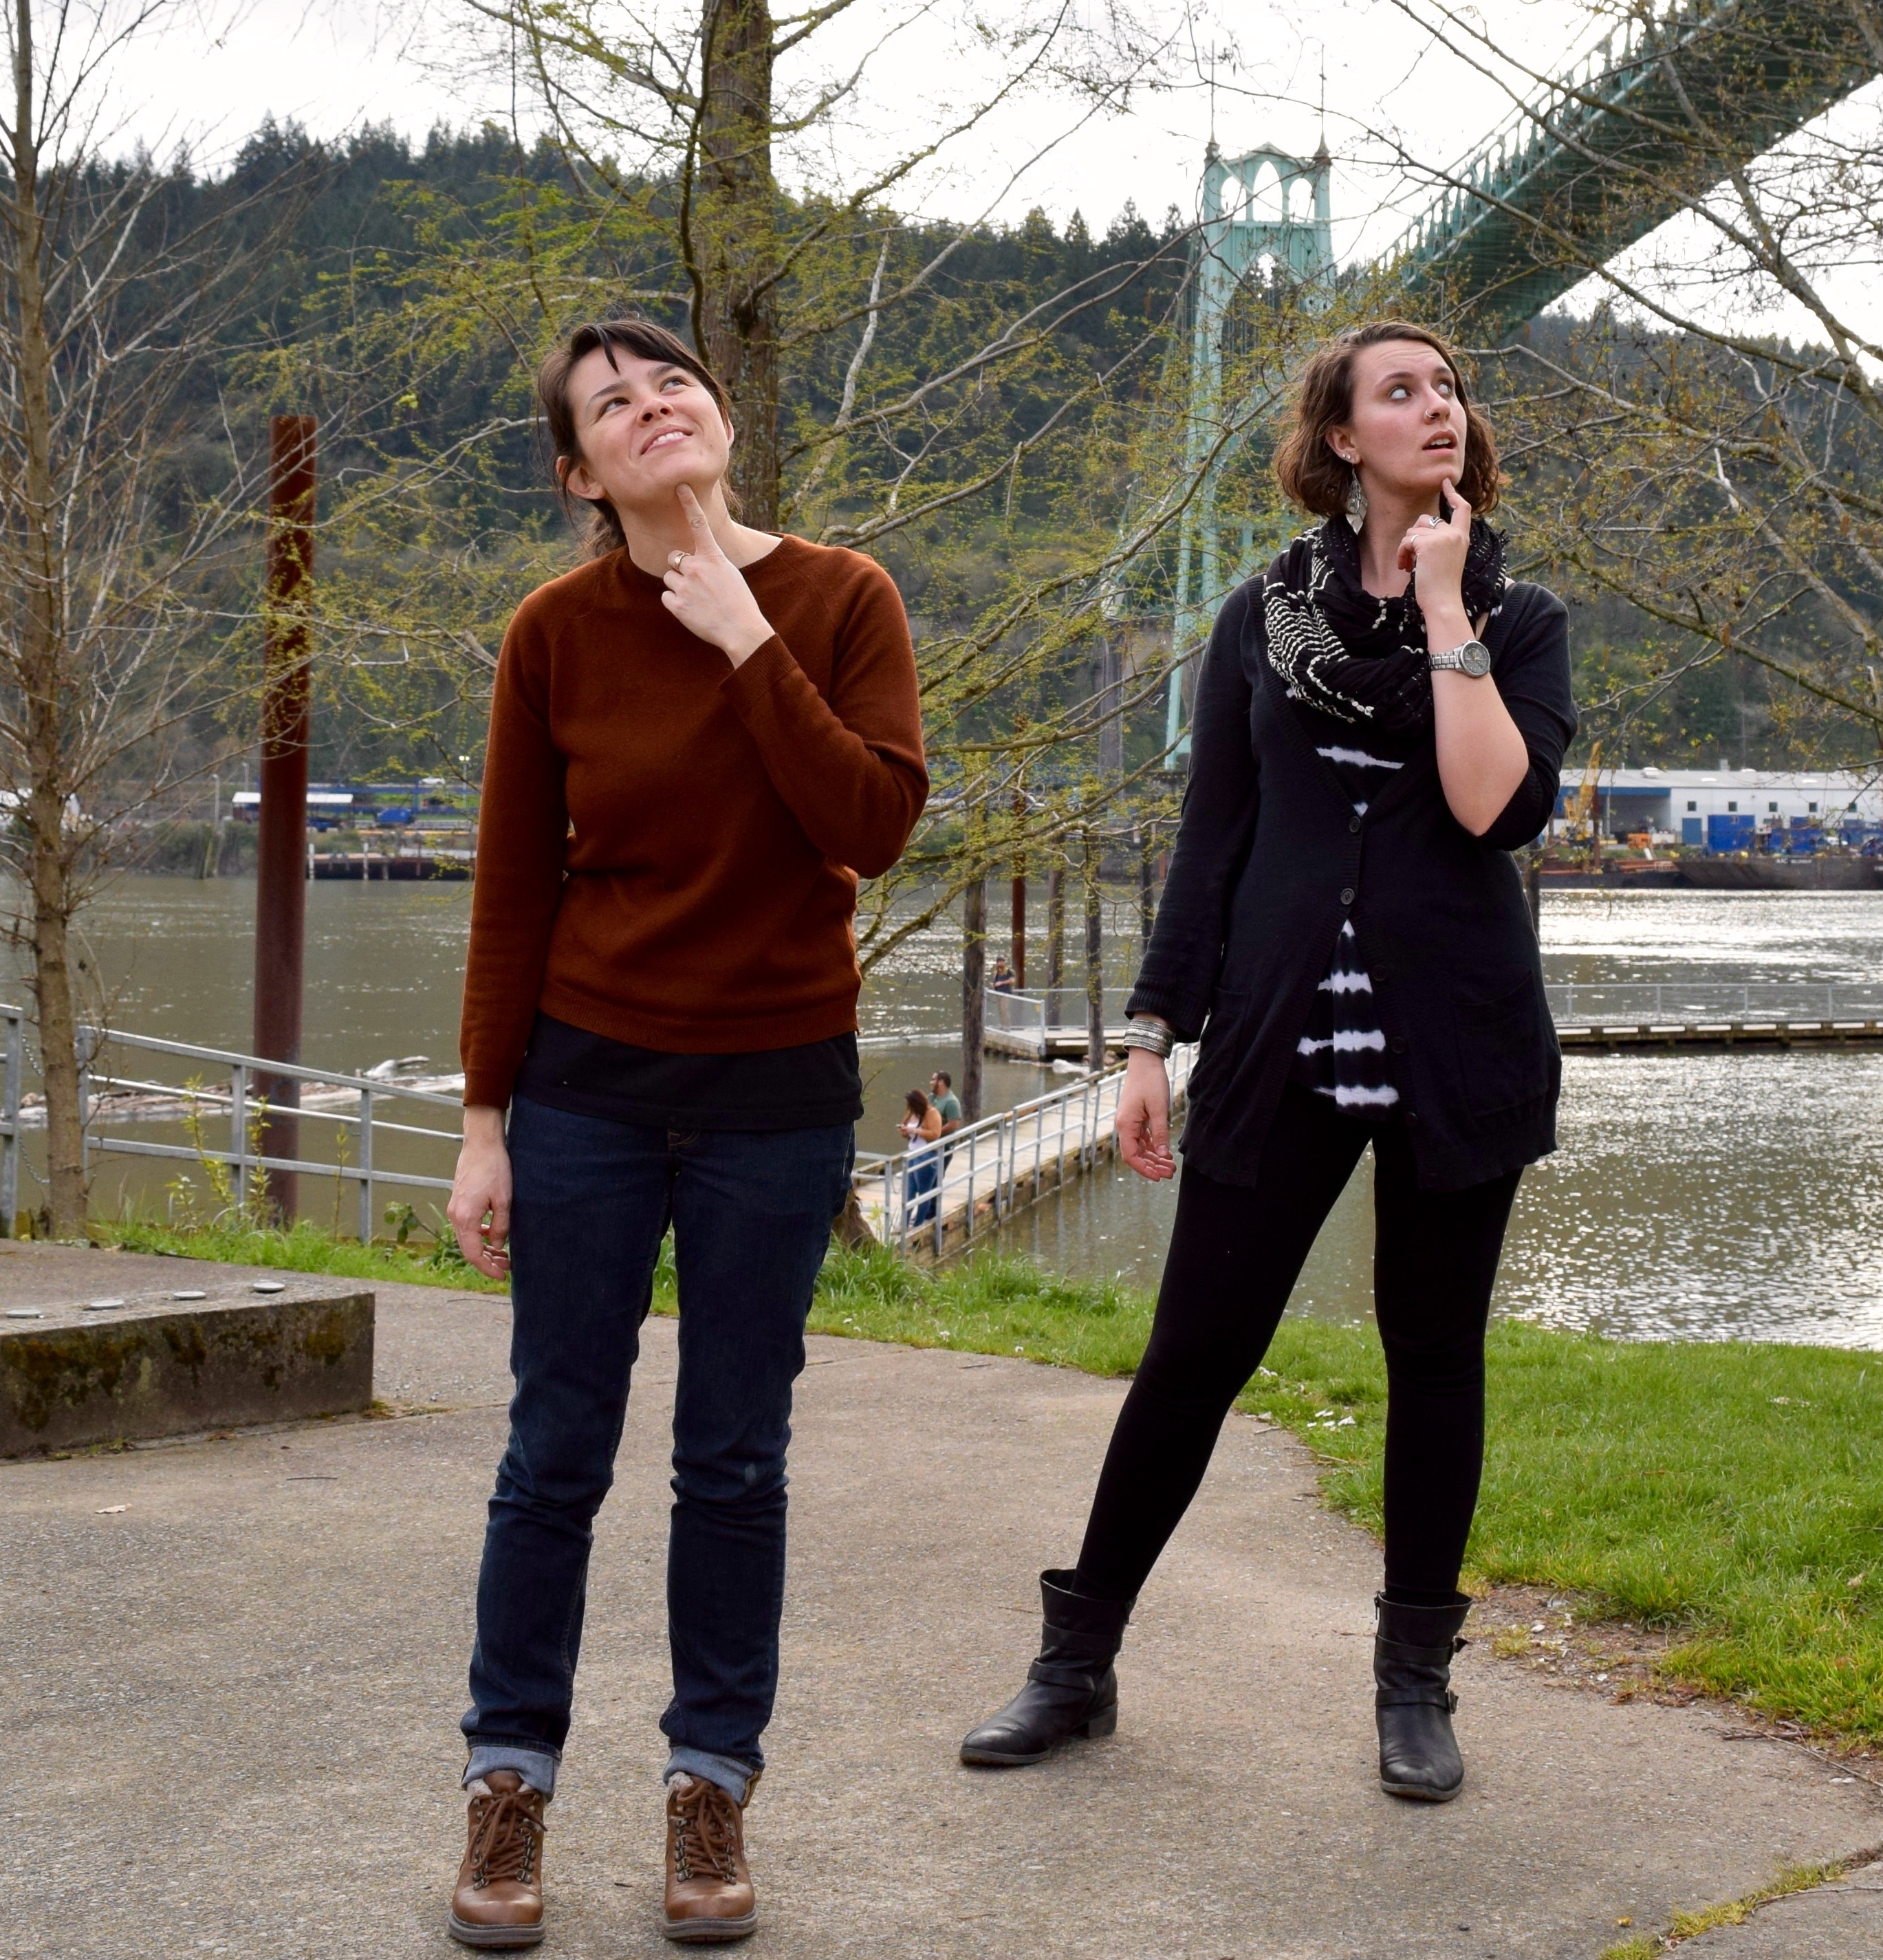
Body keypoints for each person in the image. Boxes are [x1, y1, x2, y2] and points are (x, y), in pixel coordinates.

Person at [957, 319, 1571, 1805]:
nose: (1438, 407)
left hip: (1458, 1040)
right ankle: (1077, 1659)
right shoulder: (1258, 616)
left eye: (1450, 389)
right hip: (1276, 1035)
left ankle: (1412, 1682)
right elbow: (1214, 839)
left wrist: (1445, 613)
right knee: (1193, 1354)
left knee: (1435, 1358)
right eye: (1401, 390)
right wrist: (1153, 1038)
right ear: (1343, 438)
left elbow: (1502, 810)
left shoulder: (1519, 614)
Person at [443, 316, 928, 1952]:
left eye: (673, 383)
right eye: (612, 402)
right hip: (584, 1088)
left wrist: (743, 634)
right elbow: (514, 887)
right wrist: (483, 1122)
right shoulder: (553, 633)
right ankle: (507, 1785)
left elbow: (868, 817)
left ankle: (708, 1785)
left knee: (732, 1457)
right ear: (583, 471)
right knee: (552, 1451)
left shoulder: (843, 596)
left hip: (775, 1091)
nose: (655, 405)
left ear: (716, 419)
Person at [898, 1086, 946, 1234]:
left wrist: (915, 1130)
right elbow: (906, 1130)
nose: (910, 1108)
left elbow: (935, 1134)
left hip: (927, 1155)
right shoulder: (912, 1113)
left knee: (923, 1192)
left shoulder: (932, 1113)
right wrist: (904, 1131)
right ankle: (904, 1225)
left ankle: (918, 1224)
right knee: (910, 1191)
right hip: (912, 1154)